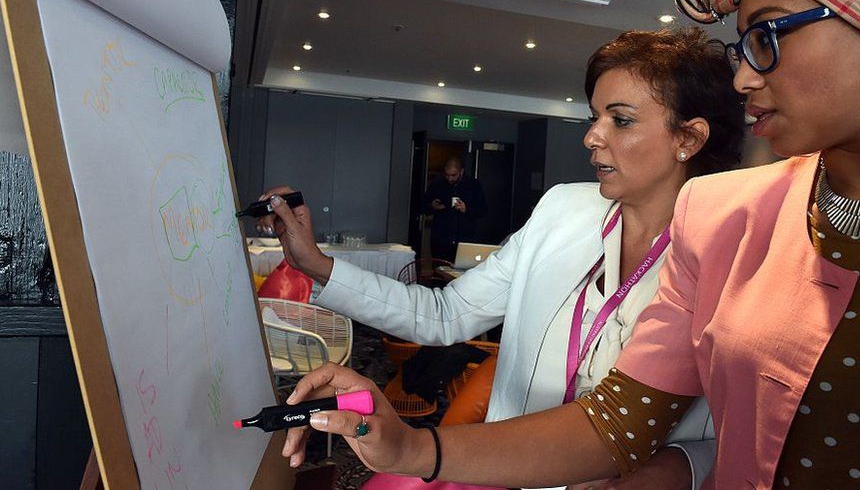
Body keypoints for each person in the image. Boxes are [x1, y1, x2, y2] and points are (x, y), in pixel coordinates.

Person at [277, 0, 860, 488]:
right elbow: (615, 420)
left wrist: (679, 470)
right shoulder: (725, 214)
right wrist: (413, 445)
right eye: (741, 46)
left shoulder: (709, 216)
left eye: (769, 36)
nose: (743, 77)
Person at [260, 27, 746, 488]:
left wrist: (682, 468)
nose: (592, 136)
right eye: (593, 116)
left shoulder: (736, 254)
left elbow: (759, 429)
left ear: (689, 138)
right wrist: (315, 264)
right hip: (503, 477)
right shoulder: (563, 209)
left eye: (619, 120)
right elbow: (445, 314)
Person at [423, 157, 487, 262]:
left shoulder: (473, 185)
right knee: (439, 273)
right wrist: (432, 206)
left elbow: (483, 211)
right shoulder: (437, 184)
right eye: (447, 175)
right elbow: (423, 207)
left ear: (461, 171)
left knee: (462, 274)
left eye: (453, 175)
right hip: (440, 240)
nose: (450, 179)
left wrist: (466, 209)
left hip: (465, 240)